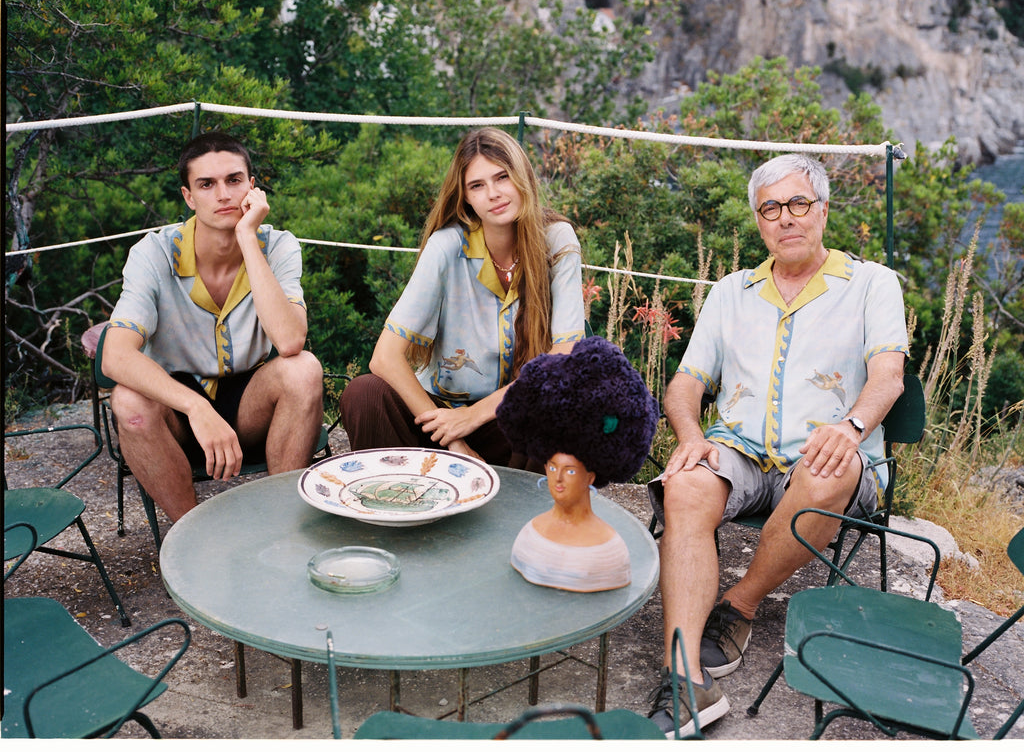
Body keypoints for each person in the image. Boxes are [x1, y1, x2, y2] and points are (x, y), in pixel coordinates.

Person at [645, 154, 908, 737]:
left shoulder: (872, 283)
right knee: (686, 484)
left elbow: (888, 376)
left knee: (827, 468)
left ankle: (739, 604)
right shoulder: (730, 292)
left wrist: (851, 428)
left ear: (822, 210)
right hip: (739, 450)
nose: (785, 218)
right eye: (771, 208)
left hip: (830, 454)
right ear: (758, 221)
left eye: (798, 204)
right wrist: (690, 436)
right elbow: (686, 384)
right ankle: (686, 676)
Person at [102, 132, 324, 522]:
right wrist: (195, 406)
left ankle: (285, 526)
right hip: (177, 406)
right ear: (188, 196)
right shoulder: (153, 252)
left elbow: (290, 341)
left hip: (248, 401)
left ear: (252, 188)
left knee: (303, 369)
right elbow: (115, 355)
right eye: (207, 184)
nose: (223, 194)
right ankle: (192, 538)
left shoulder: (279, 245)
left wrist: (247, 238)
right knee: (128, 401)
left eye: (234, 180)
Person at [340, 127, 586, 465]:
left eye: (502, 177)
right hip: (437, 419)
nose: (494, 193)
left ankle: (518, 514)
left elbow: (564, 359)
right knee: (364, 393)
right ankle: (392, 507)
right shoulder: (447, 246)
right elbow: (384, 358)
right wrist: (455, 439)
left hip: (507, 422)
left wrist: (473, 416)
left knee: (550, 406)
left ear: (523, 177)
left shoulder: (558, 242)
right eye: (477, 185)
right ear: (466, 197)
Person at [495, 336, 659, 592]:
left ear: (591, 477)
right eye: (551, 467)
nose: (557, 478)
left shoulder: (608, 553)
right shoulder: (530, 538)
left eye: (570, 470)